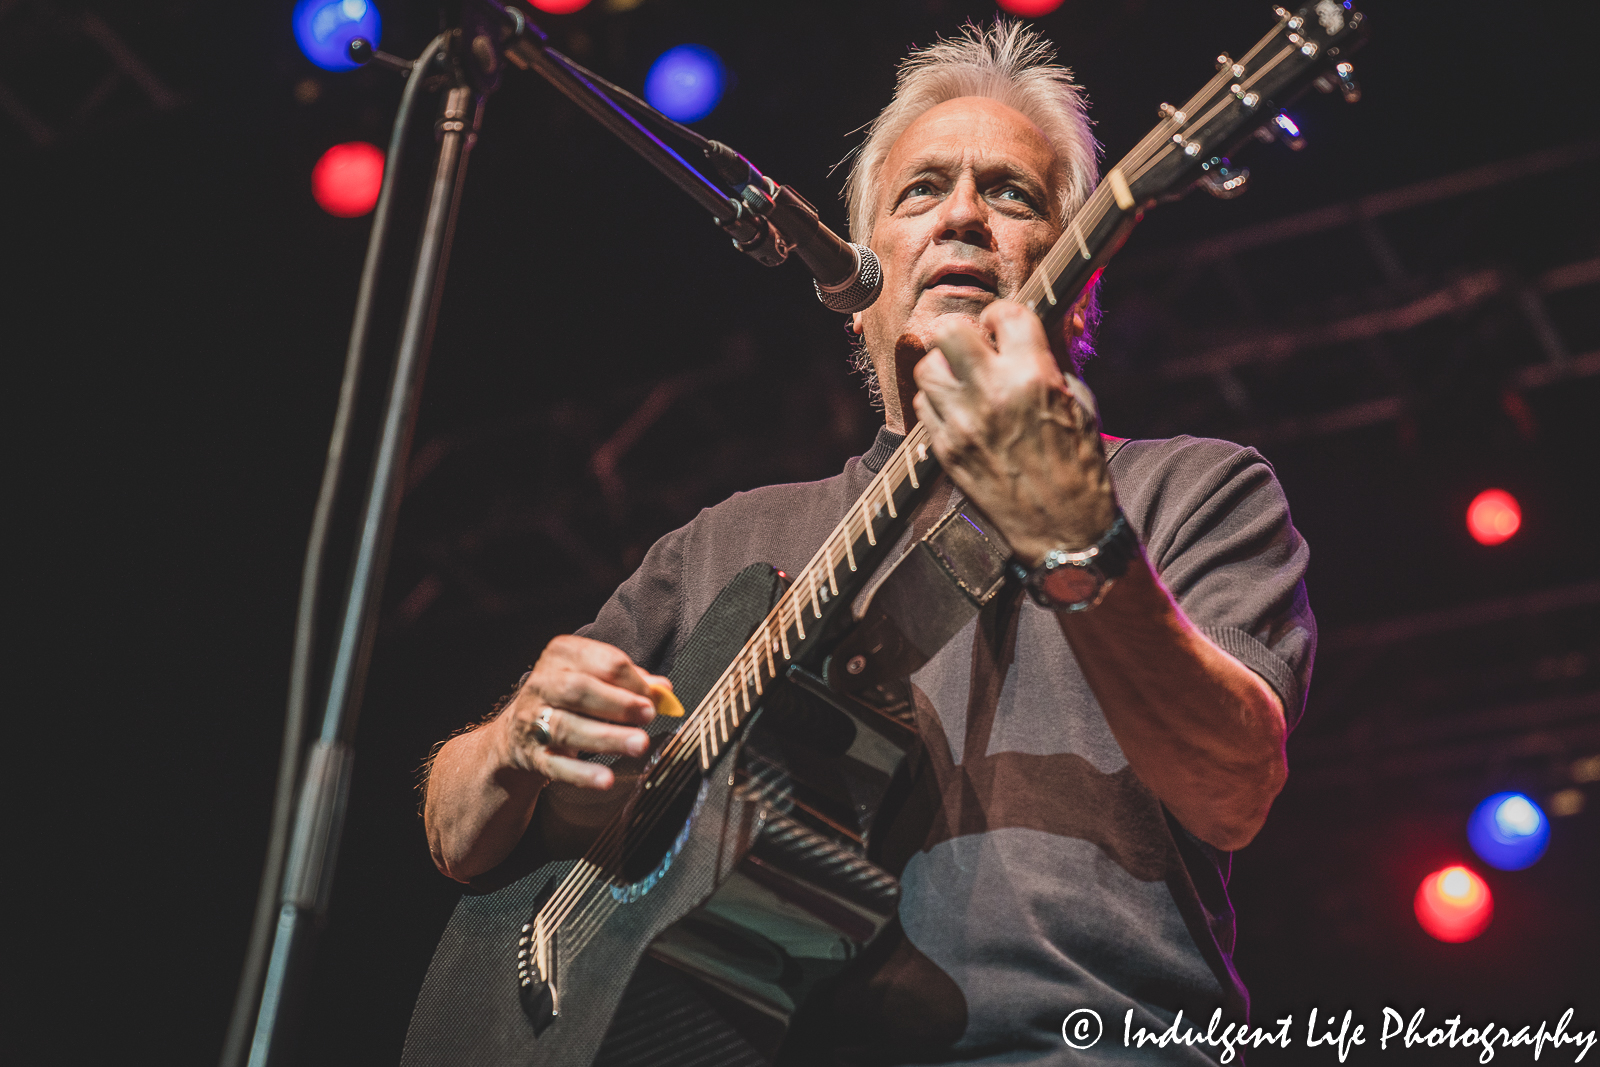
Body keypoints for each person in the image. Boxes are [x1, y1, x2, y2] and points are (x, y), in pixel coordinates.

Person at [421, 20, 1314, 1065]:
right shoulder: (723, 539)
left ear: (1081, 285)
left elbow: (1231, 785)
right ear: (856, 290)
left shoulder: (1190, 488)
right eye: (921, 191)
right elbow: (456, 832)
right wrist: (514, 736)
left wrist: (1077, 531)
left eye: (1012, 195)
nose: (965, 216)